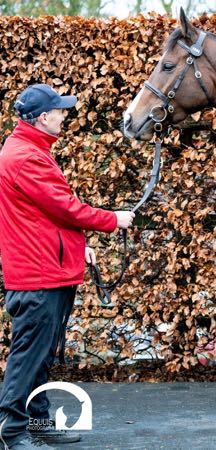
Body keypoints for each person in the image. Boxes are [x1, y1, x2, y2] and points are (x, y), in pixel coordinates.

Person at [0, 84, 135, 449]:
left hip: (45, 269)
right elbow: (66, 208)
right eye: (60, 111)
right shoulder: (26, 157)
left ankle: (39, 424)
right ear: (43, 117)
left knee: (40, 356)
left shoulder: (30, 150)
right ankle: (11, 430)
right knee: (28, 357)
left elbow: (43, 215)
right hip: (38, 276)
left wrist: (77, 248)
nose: (64, 116)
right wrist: (113, 219)